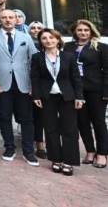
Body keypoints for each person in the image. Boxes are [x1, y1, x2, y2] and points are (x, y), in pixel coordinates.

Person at [0, 9, 40, 165]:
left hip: (23, 84)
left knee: (27, 119)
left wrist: (33, 85)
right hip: (2, 84)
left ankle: (28, 152)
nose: (8, 20)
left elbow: (34, 61)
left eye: (11, 17)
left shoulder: (26, 37)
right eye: (4, 17)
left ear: (16, 19)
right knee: (4, 117)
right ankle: (9, 148)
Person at [31, 28, 84, 176]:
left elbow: (76, 78)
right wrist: (36, 96)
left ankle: (69, 161)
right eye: (44, 38)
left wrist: (79, 97)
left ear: (58, 39)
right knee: (50, 128)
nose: (48, 40)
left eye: (51, 37)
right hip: (47, 97)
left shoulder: (69, 56)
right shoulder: (37, 57)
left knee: (70, 129)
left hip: (67, 96)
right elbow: (35, 78)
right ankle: (56, 159)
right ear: (40, 41)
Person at [64, 20, 108, 169]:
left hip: (96, 90)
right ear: (75, 32)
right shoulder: (68, 47)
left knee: (98, 122)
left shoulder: (101, 47)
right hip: (76, 91)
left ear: (91, 32)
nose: (83, 33)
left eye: (86, 30)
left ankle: (102, 153)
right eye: (80, 30)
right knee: (82, 122)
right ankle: (90, 151)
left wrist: (106, 92)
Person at [28, 21, 46, 158]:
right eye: (33, 28)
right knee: (37, 116)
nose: (35, 30)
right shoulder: (26, 43)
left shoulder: (48, 44)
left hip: (49, 85)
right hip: (32, 84)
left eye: (39, 28)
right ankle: (39, 144)